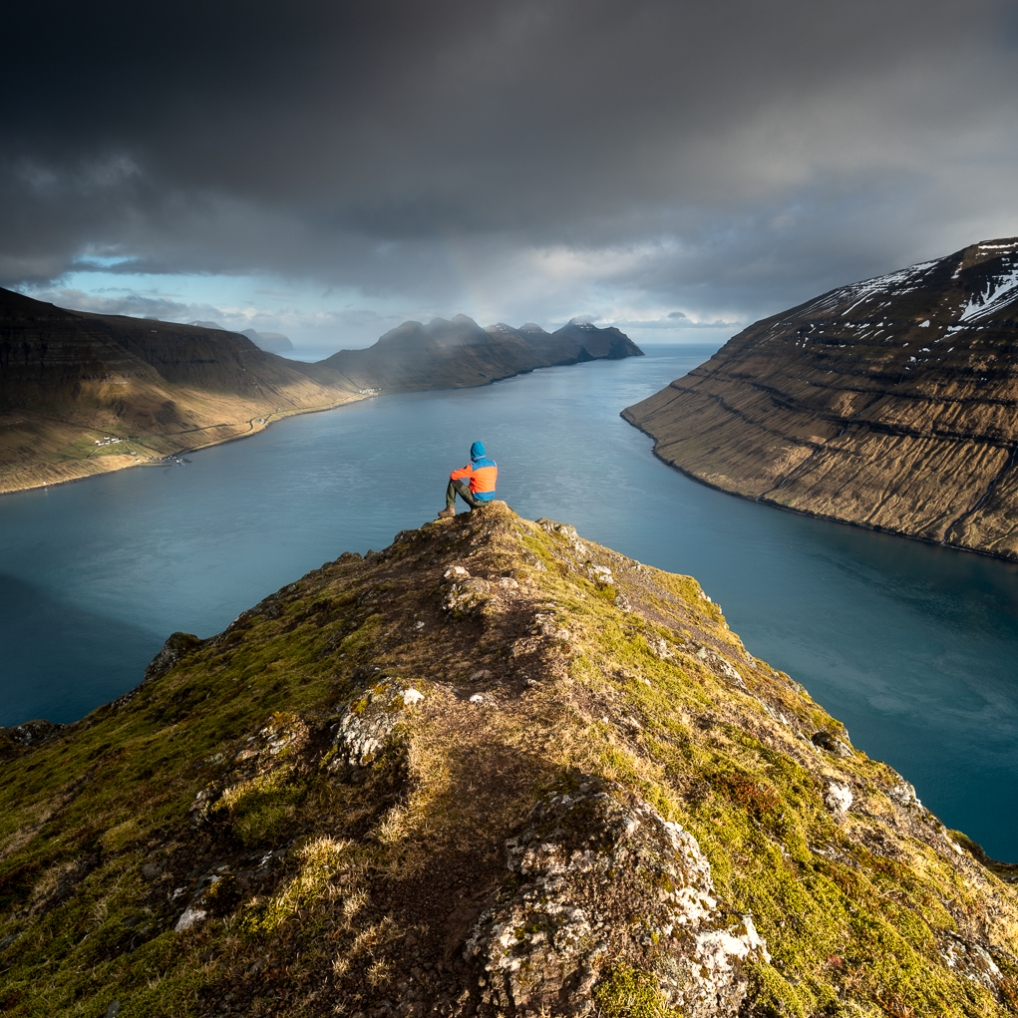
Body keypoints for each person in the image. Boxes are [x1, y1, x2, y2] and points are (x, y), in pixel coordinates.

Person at [438, 441, 497, 517]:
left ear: (473, 453)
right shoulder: (493, 464)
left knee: (453, 481)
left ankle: (450, 509)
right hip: (490, 498)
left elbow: (453, 475)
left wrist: (464, 470)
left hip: (478, 501)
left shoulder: (473, 467)